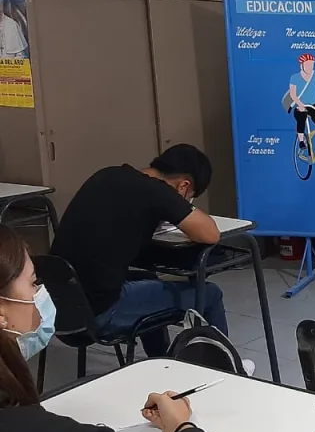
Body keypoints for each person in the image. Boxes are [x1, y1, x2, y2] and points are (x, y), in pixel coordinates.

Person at [0, 225, 242, 432]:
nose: (42, 294)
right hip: (106, 312)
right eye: (34, 283)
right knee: (205, 292)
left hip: (87, 310)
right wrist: (183, 427)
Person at [50, 144, 228, 358]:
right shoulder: (156, 191)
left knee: (147, 278)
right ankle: (226, 369)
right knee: (210, 294)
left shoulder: (108, 174)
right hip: (99, 314)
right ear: (183, 186)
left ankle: (161, 360)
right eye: (190, 196)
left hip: (60, 309)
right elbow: (210, 234)